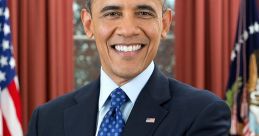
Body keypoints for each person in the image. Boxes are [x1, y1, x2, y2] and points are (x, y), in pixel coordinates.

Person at [27, 0, 231, 135]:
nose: (128, 30)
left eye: (143, 12)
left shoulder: (202, 113)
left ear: (165, 24)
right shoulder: (46, 120)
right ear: (88, 25)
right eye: (112, 13)